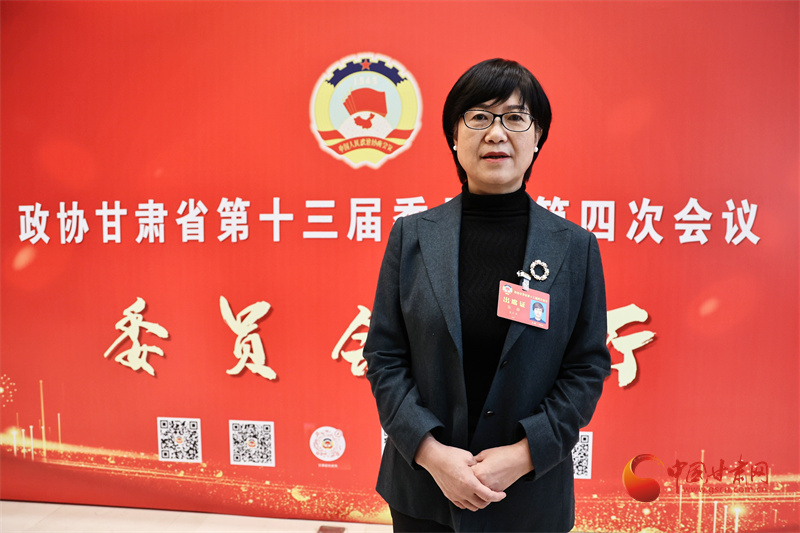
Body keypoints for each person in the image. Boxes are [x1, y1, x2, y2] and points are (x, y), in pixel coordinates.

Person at [363, 58, 611, 532]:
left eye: (515, 118)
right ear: (454, 137)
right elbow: (384, 356)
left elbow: (586, 367)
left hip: (529, 498)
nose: (496, 133)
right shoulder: (411, 236)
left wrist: (523, 455)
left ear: (537, 138)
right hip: (423, 492)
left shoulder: (574, 248)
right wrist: (432, 454)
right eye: (479, 117)